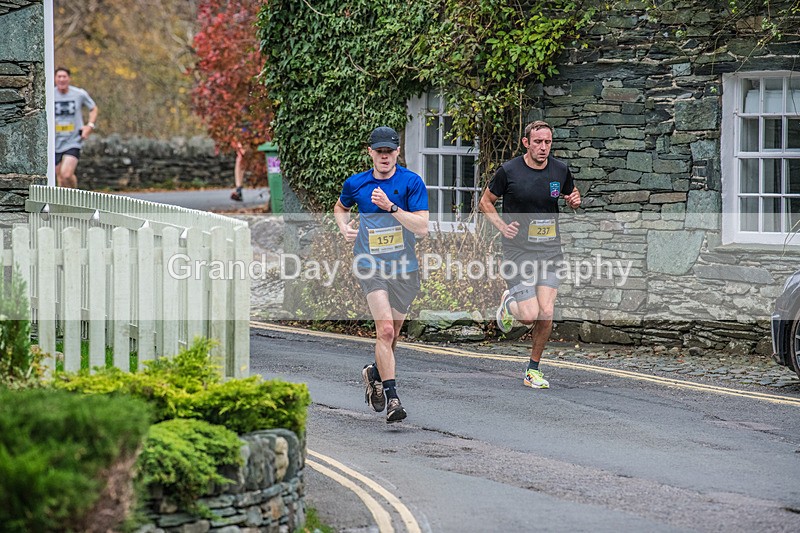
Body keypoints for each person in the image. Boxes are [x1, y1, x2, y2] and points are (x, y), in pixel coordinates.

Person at [334, 126, 429, 423]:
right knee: (385, 331)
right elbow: (340, 208)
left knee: (393, 336)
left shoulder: (411, 183)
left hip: (404, 268)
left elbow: (422, 227)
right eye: (379, 152)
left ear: (398, 152)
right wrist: (344, 227)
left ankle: (373, 373)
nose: (385, 157)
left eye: (390, 151)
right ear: (370, 152)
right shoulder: (356, 184)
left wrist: (391, 207)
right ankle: (393, 399)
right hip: (370, 265)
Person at [479, 120, 581, 389]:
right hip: (518, 252)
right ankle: (508, 302)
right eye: (538, 142)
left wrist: (574, 200)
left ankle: (532, 369)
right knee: (528, 316)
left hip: (549, 251)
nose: (543, 147)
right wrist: (502, 225)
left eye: (547, 142)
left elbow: (572, 194)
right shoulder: (509, 171)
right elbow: (485, 202)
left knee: (546, 312)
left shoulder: (560, 170)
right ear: (526, 143)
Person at [54, 67, 98, 188]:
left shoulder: (79, 94)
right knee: (60, 178)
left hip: (73, 140)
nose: (62, 79)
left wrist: (89, 126)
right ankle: (64, 205)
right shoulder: (49, 94)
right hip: (55, 141)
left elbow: (93, 108)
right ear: (55, 79)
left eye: (64, 77)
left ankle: (75, 197)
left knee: (66, 174)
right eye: (59, 76)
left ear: (69, 79)